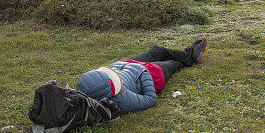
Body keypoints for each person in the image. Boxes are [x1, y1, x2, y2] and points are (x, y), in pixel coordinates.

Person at [77, 38, 207, 115]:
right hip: (150, 75)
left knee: (157, 50)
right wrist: (143, 72)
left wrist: (118, 67)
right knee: (175, 64)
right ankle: (191, 56)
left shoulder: (86, 87)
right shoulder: (122, 100)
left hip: (125, 66)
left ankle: (190, 55)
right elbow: (150, 99)